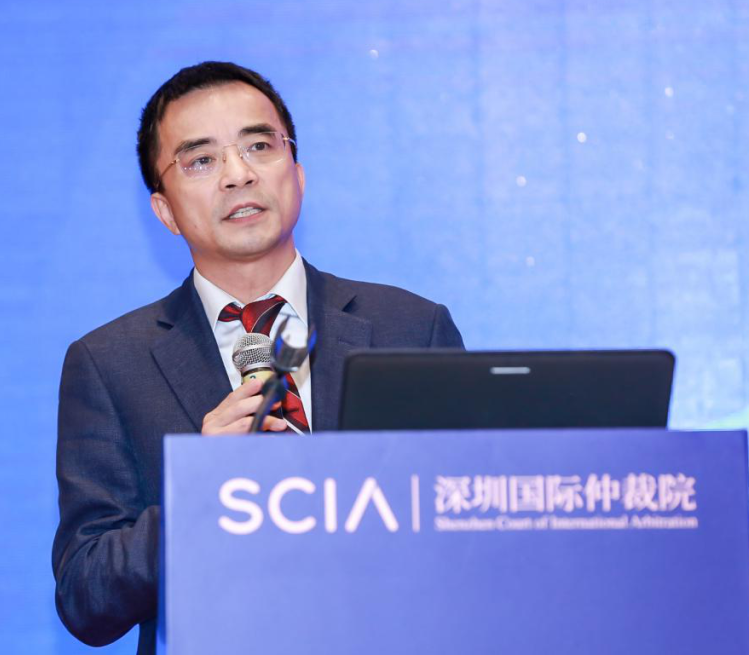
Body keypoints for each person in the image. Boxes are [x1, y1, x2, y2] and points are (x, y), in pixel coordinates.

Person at [52, 61, 464, 653]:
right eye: (201, 160)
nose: (238, 174)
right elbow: (85, 598)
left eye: (259, 146)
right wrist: (201, 490)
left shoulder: (411, 328)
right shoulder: (109, 363)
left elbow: (467, 532)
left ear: (298, 174)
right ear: (165, 211)